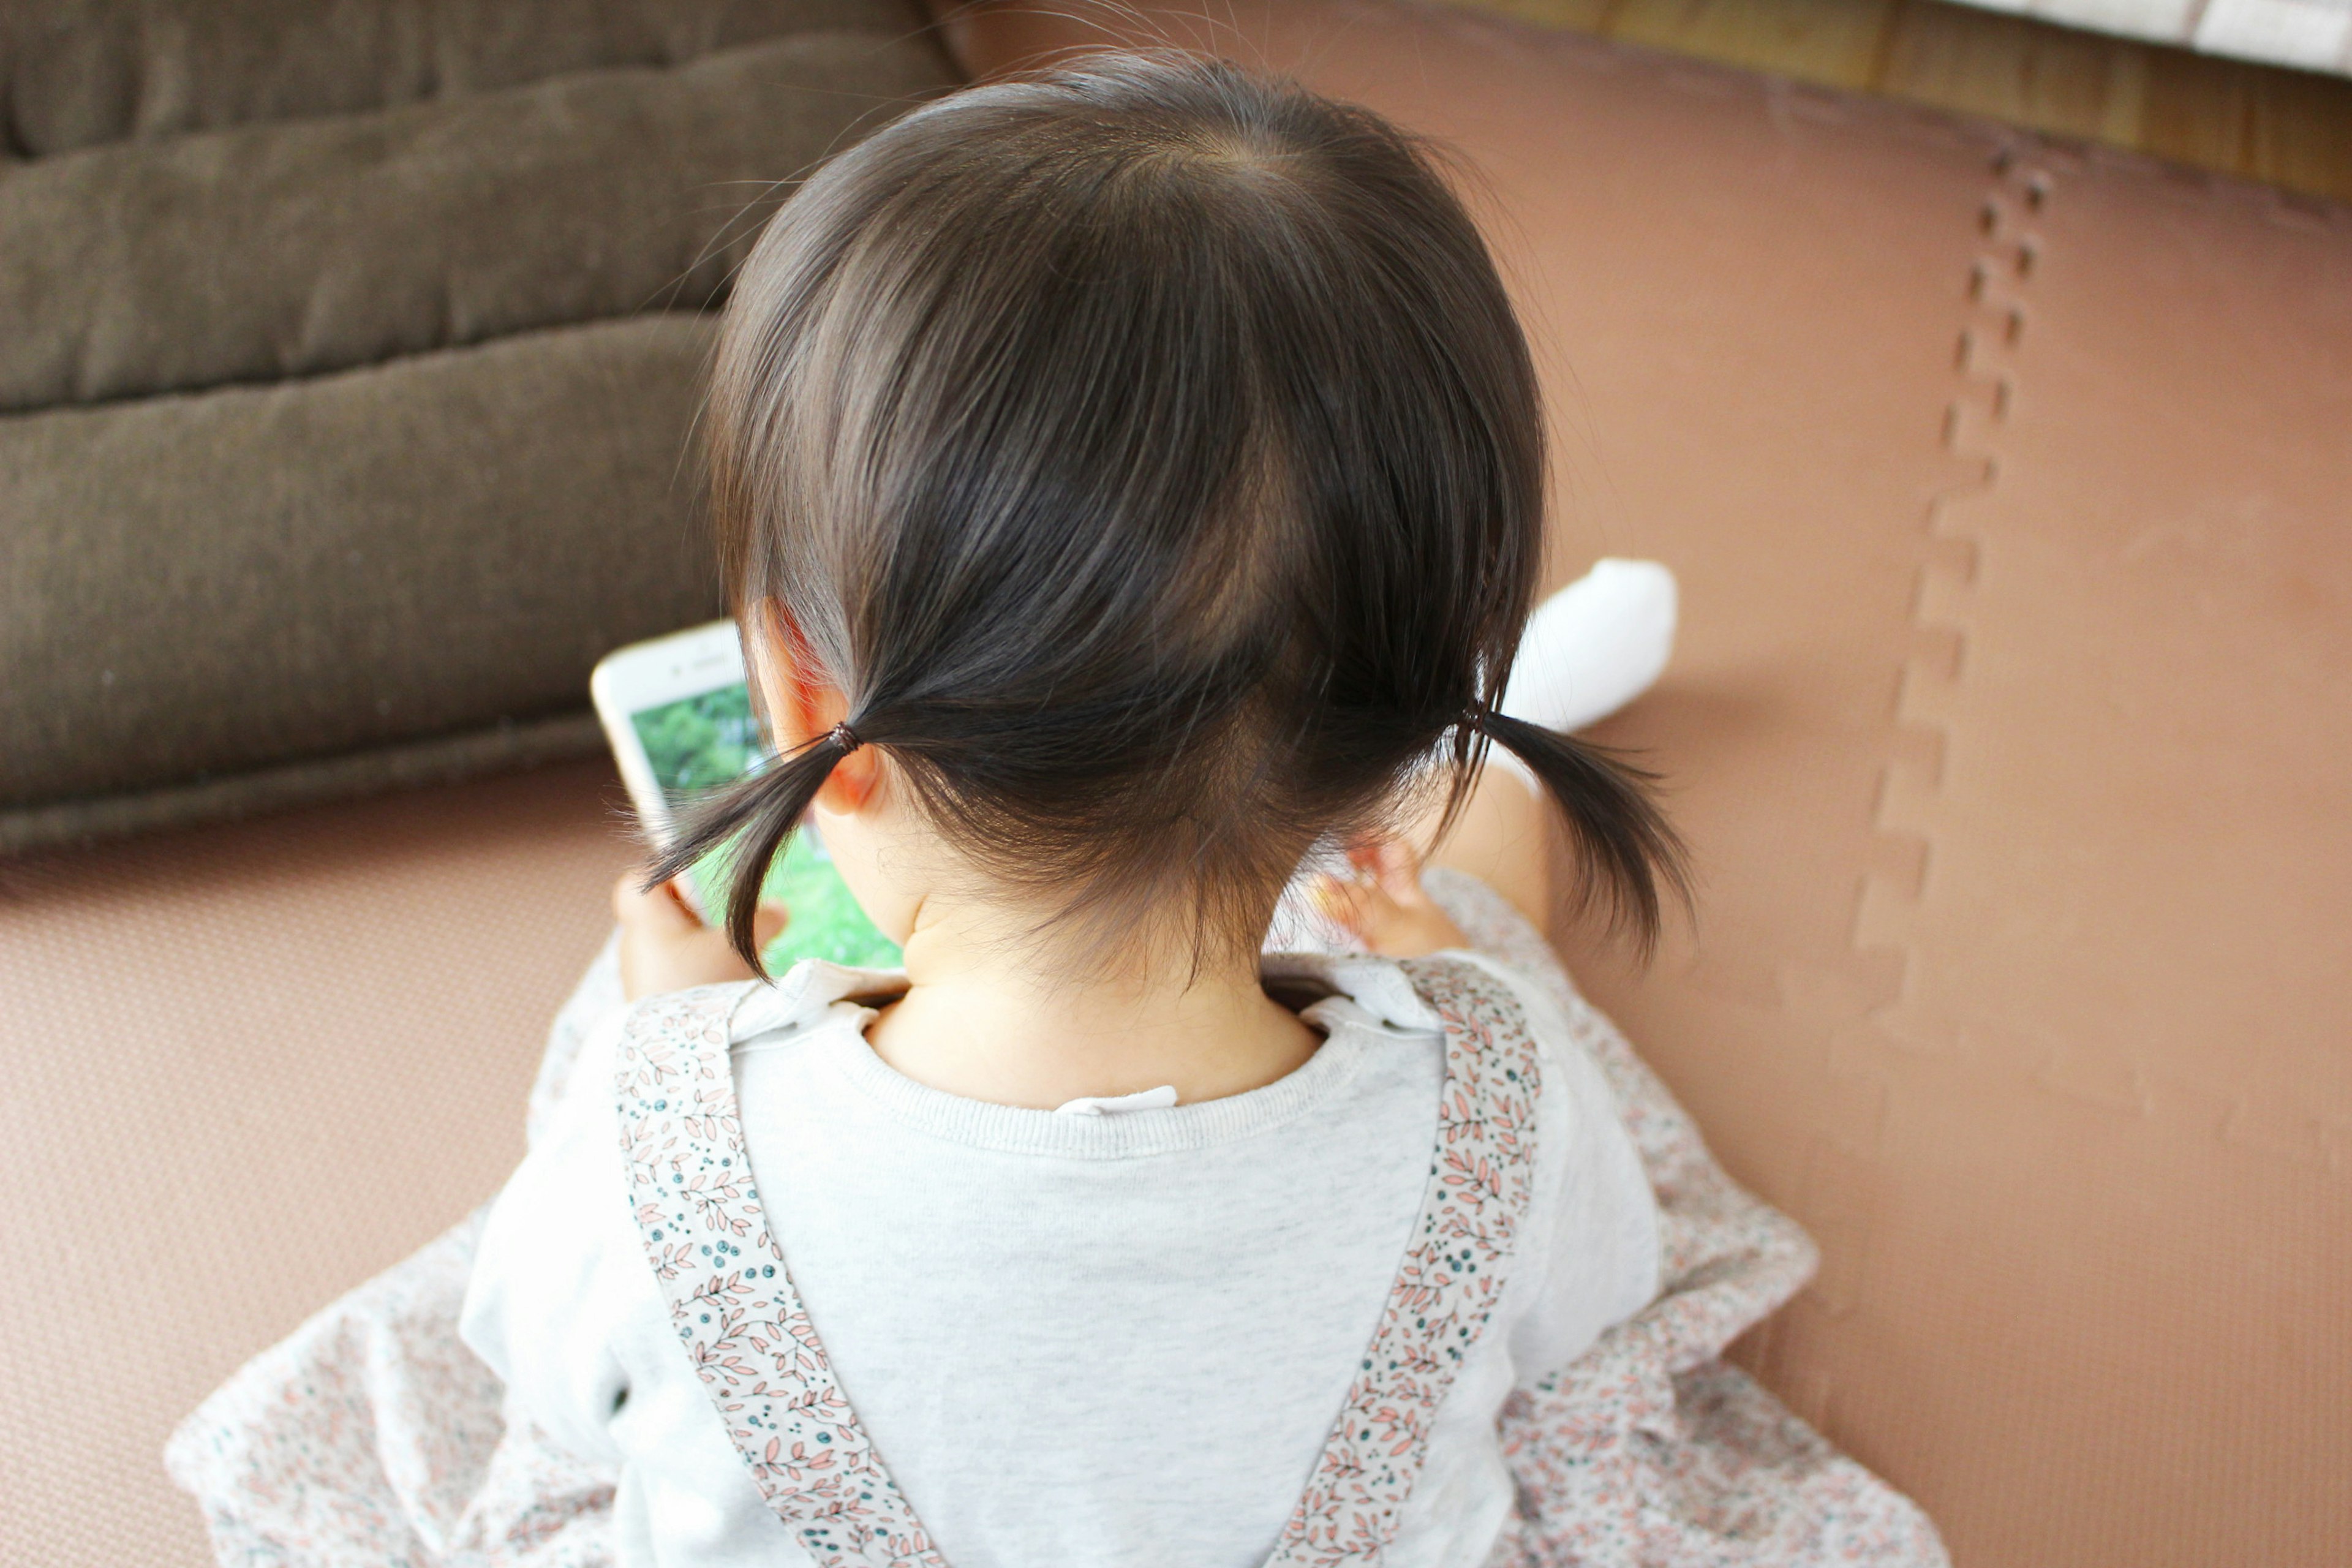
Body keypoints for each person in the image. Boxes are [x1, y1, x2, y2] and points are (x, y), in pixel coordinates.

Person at [455, 52, 1775, 1568]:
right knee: (1492, 861)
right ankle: (1513, 736)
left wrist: (671, 1035)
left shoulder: (661, 1143)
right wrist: (1476, 985)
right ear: (1391, 740)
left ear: (812, 704)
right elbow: (1589, 1316)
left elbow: (546, 1385)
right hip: (1340, 948)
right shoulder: (1500, 1106)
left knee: (627, 989)